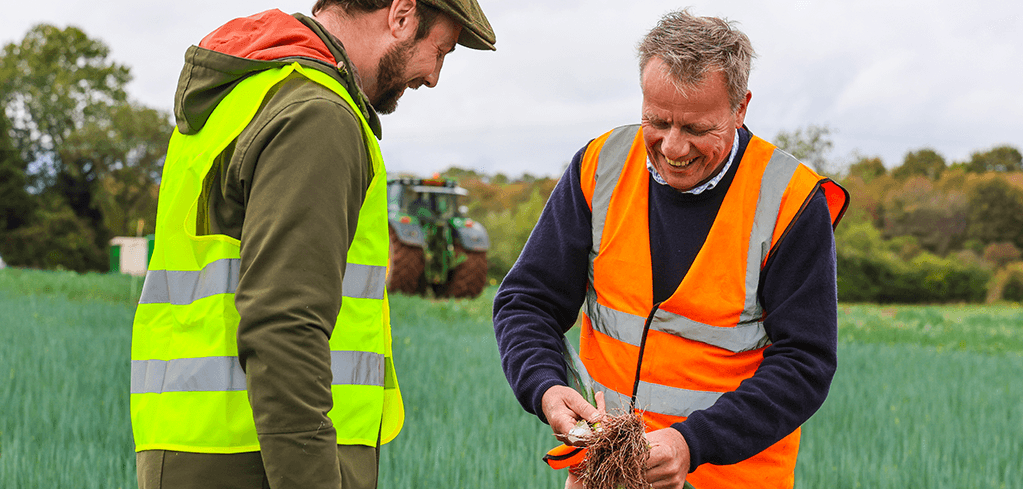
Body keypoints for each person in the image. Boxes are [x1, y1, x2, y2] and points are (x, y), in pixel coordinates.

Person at [130, 1, 495, 488]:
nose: (433, 77)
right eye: (441, 50)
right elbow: (284, 323)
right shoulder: (318, 116)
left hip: (202, 447)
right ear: (402, 15)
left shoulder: (248, 93)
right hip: (262, 461)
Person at [493, 9, 848, 489]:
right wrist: (546, 388)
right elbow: (527, 300)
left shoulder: (790, 201)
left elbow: (805, 363)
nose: (674, 147)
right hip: (605, 475)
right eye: (657, 122)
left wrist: (690, 443)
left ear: (740, 108)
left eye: (697, 129)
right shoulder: (600, 167)